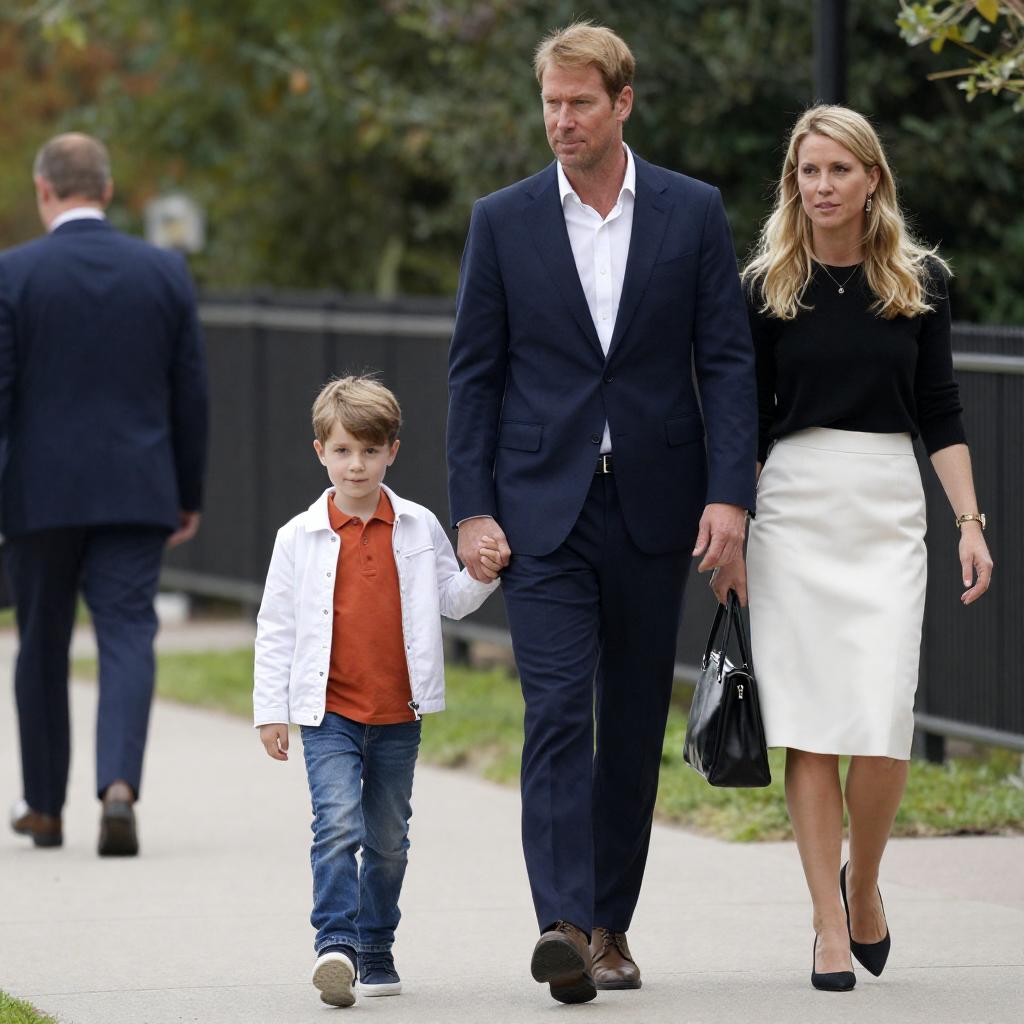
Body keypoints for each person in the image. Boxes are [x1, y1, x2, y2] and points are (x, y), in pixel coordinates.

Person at [446, 22, 757, 1003]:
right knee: (552, 713)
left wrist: (730, 495)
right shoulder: (502, 220)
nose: (562, 120)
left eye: (580, 102)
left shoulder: (690, 211)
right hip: (543, 510)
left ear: (622, 103)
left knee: (628, 721)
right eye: (551, 102)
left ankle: (612, 924)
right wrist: (470, 509)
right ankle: (565, 925)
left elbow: (726, 361)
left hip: (656, 505)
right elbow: (473, 375)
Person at [713, 105, 994, 991]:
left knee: (882, 723)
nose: (823, 186)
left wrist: (970, 523)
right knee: (809, 726)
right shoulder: (767, 285)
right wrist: (732, 529)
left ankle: (863, 882)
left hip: (886, 509)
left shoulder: (920, 280)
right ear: (793, 182)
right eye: (809, 171)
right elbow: (748, 420)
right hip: (793, 510)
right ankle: (828, 926)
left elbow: (940, 408)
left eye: (840, 169)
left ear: (873, 178)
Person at [253, 376, 502, 1008]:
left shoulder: (417, 526)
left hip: (398, 711)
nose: (356, 465)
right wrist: (270, 711)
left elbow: (451, 600)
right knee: (336, 825)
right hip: (327, 712)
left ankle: (376, 945)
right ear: (321, 453)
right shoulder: (297, 536)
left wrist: (483, 574)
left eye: (369, 450)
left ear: (392, 450)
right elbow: (276, 627)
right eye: (342, 451)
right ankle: (334, 946)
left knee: (388, 840)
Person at [1, 132, 208, 857]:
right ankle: (118, 787)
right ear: (108, 191)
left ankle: (45, 807)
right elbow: (190, 393)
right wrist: (187, 490)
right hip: (137, 488)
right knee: (126, 635)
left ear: (44, 189)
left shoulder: (13, 274)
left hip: (38, 494)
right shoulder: (164, 271)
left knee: (41, 643)